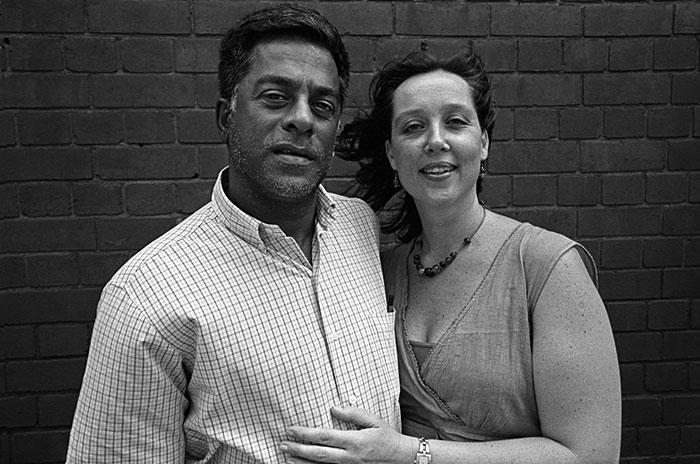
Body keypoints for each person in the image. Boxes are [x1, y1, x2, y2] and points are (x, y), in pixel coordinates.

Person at [66, 4, 400, 463]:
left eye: (323, 105)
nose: (303, 119)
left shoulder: (359, 226)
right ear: (227, 116)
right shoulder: (145, 296)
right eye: (276, 97)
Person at [281, 51, 621, 463]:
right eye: (414, 127)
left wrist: (409, 453)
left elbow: (591, 455)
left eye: (456, 122)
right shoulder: (376, 271)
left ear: (483, 143)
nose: (436, 141)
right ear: (392, 154)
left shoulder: (548, 267)